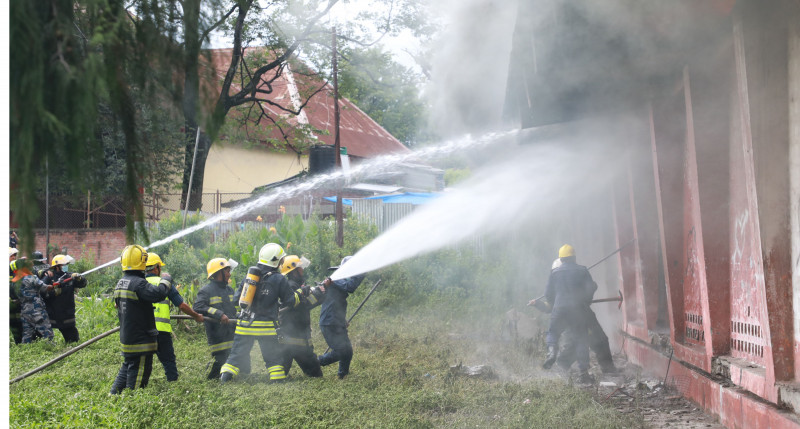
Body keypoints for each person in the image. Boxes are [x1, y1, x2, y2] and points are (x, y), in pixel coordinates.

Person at [219, 243, 301, 383]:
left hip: (245, 326)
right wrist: (301, 292)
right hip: (266, 328)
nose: (282, 263)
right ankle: (278, 384)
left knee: (236, 356)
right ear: (275, 261)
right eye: (281, 261)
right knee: (273, 358)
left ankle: (224, 379)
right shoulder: (278, 278)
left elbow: (236, 300)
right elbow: (290, 301)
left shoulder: (250, 276)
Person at [110, 245, 169, 394]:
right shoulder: (139, 283)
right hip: (140, 341)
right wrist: (166, 281)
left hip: (128, 338)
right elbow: (158, 294)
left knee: (127, 367)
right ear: (142, 261)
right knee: (139, 375)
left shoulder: (120, 283)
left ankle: (113, 395)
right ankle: (131, 402)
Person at [536, 244, 596, 384]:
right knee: (581, 339)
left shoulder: (555, 272)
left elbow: (548, 294)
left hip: (559, 309)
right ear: (574, 257)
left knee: (553, 332)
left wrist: (555, 303)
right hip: (577, 310)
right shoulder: (582, 270)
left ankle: (551, 352)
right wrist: (586, 301)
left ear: (561, 259)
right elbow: (589, 289)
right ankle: (583, 374)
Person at [145, 252, 204, 381]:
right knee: (168, 362)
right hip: (161, 331)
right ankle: (173, 384)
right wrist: (196, 315)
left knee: (142, 363)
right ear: (156, 268)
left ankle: (137, 388)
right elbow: (181, 305)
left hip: (142, 331)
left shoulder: (139, 283)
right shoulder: (164, 283)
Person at [318, 256, 366, 379]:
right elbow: (350, 287)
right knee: (341, 351)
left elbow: (336, 302)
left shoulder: (337, 280)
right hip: (329, 322)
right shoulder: (335, 278)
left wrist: (341, 319)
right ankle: (316, 362)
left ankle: (342, 375)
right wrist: (361, 273)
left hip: (335, 320)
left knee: (347, 350)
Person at [278, 255, 325, 378]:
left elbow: (308, 303)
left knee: (280, 374)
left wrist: (320, 293)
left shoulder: (296, 285)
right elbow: (302, 305)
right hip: (295, 337)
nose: (302, 270)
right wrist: (318, 293)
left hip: (295, 337)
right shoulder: (290, 286)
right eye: (300, 268)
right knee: (315, 375)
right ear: (293, 271)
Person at [194, 258, 238, 380]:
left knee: (235, 359)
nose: (229, 274)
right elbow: (198, 307)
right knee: (221, 360)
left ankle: (227, 379)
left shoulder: (229, 289)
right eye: (227, 271)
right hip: (217, 334)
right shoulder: (206, 291)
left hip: (231, 332)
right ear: (219, 273)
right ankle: (212, 380)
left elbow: (233, 309)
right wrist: (219, 314)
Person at [39, 254, 87, 343]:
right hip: (52, 312)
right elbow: (41, 289)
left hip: (67, 312)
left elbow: (83, 284)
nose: (66, 267)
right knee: (44, 338)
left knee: (73, 340)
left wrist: (80, 278)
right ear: (57, 267)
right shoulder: (49, 276)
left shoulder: (69, 276)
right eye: (64, 265)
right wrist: (53, 290)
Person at [11, 258, 55, 343]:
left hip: (24, 309)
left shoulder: (15, 281)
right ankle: (51, 346)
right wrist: (53, 286)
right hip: (36, 309)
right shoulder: (32, 278)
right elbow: (45, 288)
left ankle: (26, 348)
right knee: (46, 329)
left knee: (27, 332)